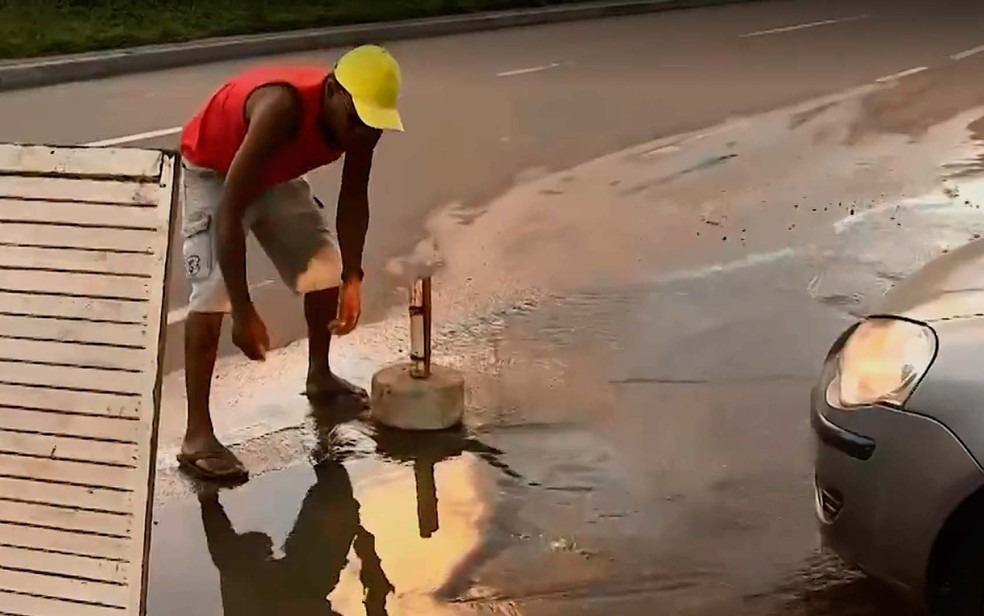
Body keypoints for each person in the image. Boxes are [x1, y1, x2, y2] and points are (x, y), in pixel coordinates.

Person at [175, 44, 404, 481]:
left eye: (373, 126)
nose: (362, 135)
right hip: (218, 172)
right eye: (356, 121)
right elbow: (229, 211)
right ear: (334, 91)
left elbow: (355, 194)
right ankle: (197, 436)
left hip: (274, 172)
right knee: (211, 296)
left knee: (324, 268)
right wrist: (243, 310)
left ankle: (320, 375)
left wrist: (353, 276)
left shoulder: (361, 124)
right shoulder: (281, 107)